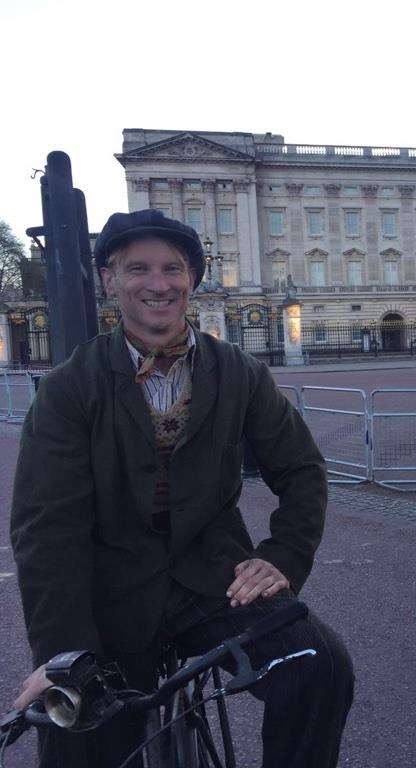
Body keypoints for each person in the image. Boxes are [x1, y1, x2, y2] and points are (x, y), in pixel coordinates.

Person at [10, 209, 354, 768]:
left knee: (319, 665)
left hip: (215, 581)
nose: (158, 283)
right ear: (110, 280)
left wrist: (283, 556)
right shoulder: (71, 387)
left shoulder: (238, 371)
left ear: (192, 278)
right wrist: (61, 653)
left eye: (173, 268)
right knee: (78, 729)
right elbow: (46, 529)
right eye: (138, 268)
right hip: (110, 594)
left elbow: (301, 470)